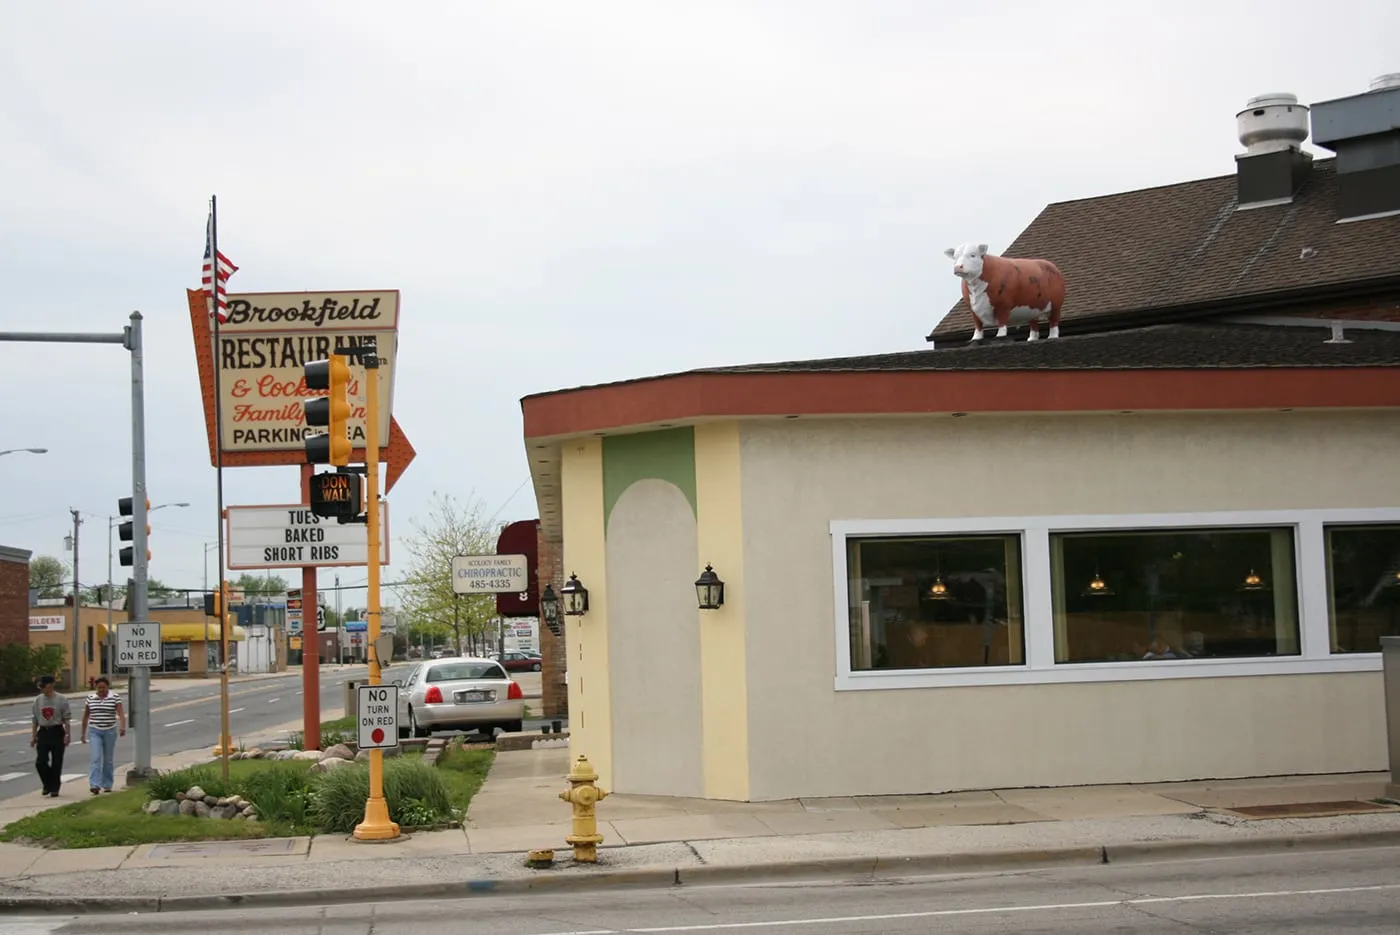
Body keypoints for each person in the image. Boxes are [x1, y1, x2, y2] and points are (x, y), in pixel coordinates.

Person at [80, 677, 125, 794]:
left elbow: (120, 713)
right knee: (96, 758)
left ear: (108, 687)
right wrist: (83, 733)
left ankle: (107, 784)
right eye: (99, 687)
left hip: (109, 730)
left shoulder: (114, 697)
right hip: (94, 730)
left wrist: (122, 726)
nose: (101, 690)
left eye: (103, 687)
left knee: (108, 759)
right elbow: (85, 716)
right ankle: (94, 784)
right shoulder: (90, 698)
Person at [29, 675, 71, 797]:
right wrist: (33, 736)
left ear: (51, 685)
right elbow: (35, 720)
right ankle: (47, 783)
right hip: (43, 732)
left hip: (57, 731)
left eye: (44, 686)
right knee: (40, 761)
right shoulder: (37, 700)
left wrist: (67, 734)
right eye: (41, 687)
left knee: (57, 762)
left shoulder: (61, 699)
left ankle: (54, 788)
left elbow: (66, 719)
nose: (42, 689)